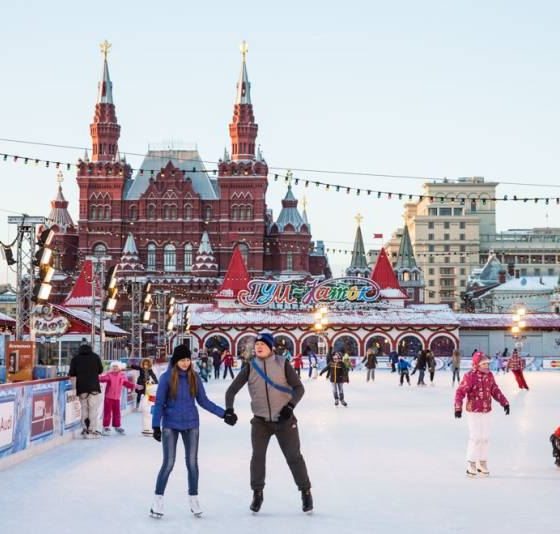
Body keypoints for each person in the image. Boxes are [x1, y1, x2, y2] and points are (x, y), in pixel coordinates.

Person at [224, 332, 313, 514]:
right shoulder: (250, 367)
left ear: (271, 347)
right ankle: (257, 493)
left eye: (263, 344)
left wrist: (290, 407)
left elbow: (299, 388)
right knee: (257, 457)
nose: (258, 347)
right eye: (257, 344)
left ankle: (305, 491)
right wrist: (229, 409)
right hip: (260, 422)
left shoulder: (282, 363)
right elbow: (231, 391)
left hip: (285, 420)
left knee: (294, 457)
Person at [150, 344, 232, 519]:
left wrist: (223, 414)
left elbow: (204, 401)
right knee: (168, 463)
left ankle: (193, 499)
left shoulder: (194, 377)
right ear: (176, 361)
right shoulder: (166, 378)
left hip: (191, 424)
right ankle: (158, 500)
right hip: (170, 425)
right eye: (182, 360)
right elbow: (158, 403)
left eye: (188, 359)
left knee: (192, 464)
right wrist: (156, 425)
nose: (186, 363)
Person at [454, 351, 510, 477]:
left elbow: (494, 390)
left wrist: (504, 402)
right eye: (484, 364)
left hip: (486, 410)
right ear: (477, 365)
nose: (486, 366)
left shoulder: (489, 375)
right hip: (474, 411)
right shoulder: (470, 376)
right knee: (475, 437)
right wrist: (458, 408)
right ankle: (471, 462)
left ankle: (482, 462)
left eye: (487, 364)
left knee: (485, 438)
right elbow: (460, 392)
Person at [68, 340, 104, 439]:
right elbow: (100, 370)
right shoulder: (95, 357)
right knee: (93, 409)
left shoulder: (75, 359)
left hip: (82, 388)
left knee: (84, 408)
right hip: (94, 387)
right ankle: (92, 430)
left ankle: (85, 429)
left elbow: (72, 373)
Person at [99, 361, 138, 435]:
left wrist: (134, 386)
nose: (114, 368)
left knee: (117, 413)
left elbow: (126, 383)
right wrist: (97, 377)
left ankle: (117, 426)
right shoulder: (109, 375)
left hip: (116, 397)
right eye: (113, 367)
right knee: (107, 413)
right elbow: (102, 379)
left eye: (116, 367)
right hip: (109, 397)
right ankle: (106, 427)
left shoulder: (122, 376)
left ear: (119, 368)